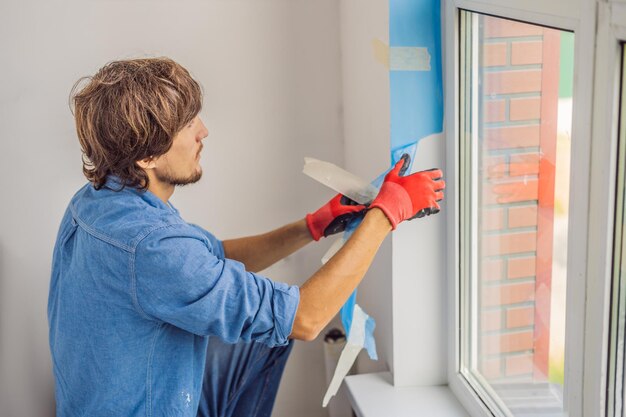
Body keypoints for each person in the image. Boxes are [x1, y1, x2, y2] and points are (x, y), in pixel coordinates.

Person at [48, 57, 445, 417]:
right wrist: (387, 213)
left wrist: (313, 225)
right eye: (187, 125)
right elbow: (305, 320)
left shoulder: (98, 200)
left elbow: (210, 259)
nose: (203, 131)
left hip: (109, 396)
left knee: (264, 329)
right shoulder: (152, 246)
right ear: (146, 158)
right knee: (277, 322)